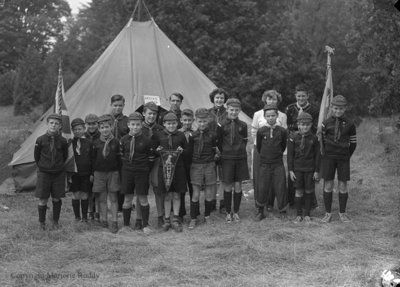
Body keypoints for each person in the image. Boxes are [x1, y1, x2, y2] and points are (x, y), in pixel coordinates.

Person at [320, 95, 357, 223]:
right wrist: (326, 154)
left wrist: (346, 155)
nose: (338, 111)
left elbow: (353, 143)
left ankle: (342, 213)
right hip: (329, 157)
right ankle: (328, 213)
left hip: (343, 158)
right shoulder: (326, 123)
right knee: (328, 184)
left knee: (342, 184)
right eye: (335, 108)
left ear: (345, 108)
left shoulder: (350, 124)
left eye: (341, 109)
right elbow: (322, 142)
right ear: (331, 107)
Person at [251, 90, 287, 214]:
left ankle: (278, 207)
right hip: (263, 155)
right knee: (262, 181)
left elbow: (283, 144)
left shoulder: (282, 121)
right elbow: (257, 137)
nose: (271, 101)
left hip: (276, 157)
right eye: (269, 98)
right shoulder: (258, 117)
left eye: (274, 99)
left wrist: (278, 151)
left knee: (279, 183)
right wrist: (263, 151)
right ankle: (260, 207)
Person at [153, 112, 188, 232]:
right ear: (164, 124)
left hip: (178, 168)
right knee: (167, 194)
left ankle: (176, 219)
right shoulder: (158, 135)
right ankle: (167, 219)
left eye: (173, 123)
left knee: (177, 194)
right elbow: (153, 150)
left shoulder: (181, 135)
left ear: (177, 123)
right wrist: (157, 151)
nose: (171, 126)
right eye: (168, 123)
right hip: (164, 168)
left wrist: (182, 150)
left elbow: (187, 150)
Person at [120, 112, 154, 233]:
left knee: (142, 198)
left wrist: (144, 169)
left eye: (138, 125)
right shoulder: (123, 140)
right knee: (127, 199)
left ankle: (145, 225)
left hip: (142, 172)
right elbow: (120, 156)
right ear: (128, 124)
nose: (135, 127)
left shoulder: (146, 140)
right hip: (127, 172)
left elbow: (151, 159)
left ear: (141, 125)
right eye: (133, 124)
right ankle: (125, 225)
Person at [285, 84, 319, 207]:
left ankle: (310, 202)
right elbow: (287, 126)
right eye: (298, 96)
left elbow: (314, 127)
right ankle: (293, 202)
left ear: (307, 96)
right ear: (295, 96)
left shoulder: (314, 109)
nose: (301, 98)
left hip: (309, 141)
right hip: (293, 140)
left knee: (308, 174)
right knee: (293, 172)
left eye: (303, 96)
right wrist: (295, 131)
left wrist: (303, 130)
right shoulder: (289, 108)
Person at [217, 98, 249, 223]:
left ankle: (236, 211)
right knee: (227, 185)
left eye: (236, 110)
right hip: (227, 158)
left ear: (240, 110)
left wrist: (239, 150)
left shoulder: (243, 125)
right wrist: (226, 152)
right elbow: (219, 142)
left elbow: (245, 140)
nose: (234, 112)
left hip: (240, 157)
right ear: (227, 109)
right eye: (231, 110)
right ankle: (227, 212)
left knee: (238, 185)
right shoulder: (221, 125)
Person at [34, 113, 68, 230]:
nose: (54, 125)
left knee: (56, 198)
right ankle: (41, 223)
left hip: (58, 173)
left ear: (60, 126)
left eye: (56, 123)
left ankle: (55, 221)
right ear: (47, 124)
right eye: (51, 123)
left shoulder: (63, 141)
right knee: (43, 198)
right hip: (44, 173)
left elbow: (64, 156)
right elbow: (36, 157)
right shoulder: (40, 140)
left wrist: (57, 166)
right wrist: (44, 167)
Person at [188, 108, 219, 229]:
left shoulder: (213, 135)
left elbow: (215, 149)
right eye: (200, 121)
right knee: (195, 193)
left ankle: (207, 216)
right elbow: (190, 152)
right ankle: (193, 218)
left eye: (204, 121)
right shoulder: (192, 135)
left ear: (208, 120)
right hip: (196, 165)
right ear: (196, 121)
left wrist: (216, 156)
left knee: (209, 192)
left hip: (209, 165)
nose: (202, 124)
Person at [287, 112, 320, 223]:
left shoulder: (314, 139)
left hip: (310, 169)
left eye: (307, 124)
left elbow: (317, 156)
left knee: (309, 191)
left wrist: (316, 171)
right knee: (299, 191)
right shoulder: (293, 138)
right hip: (297, 170)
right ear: (298, 124)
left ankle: (307, 214)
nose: (304, 127)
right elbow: (290, 156)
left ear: (311, 125)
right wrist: (290, 170)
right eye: (302, 124)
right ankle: (299, 214)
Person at [92, 114, 121, 233]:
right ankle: (104, 219)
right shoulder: (95, 143)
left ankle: (114, 221)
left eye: (107, 127)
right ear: (99, 129)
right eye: (102, 127)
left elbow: (120, 159)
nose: (105, 130)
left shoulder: (116, 142)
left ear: (111, 127)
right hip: (99, 173)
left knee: (113, 197)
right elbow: (92, 159)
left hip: (113, 173)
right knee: (102, 198)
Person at [142, 101, 165, 228]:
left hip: (156, 161)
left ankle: (160, 216)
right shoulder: (139, 127)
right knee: (142, 190)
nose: (151, 116)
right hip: (143, 162)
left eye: (154, 114)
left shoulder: (160, 129)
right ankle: (140, 219)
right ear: (144, 113)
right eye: (149, 113)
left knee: (158, 188)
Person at [208, 88, 228, 213]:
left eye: (221, 98)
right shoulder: (208, 112)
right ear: (213, 99)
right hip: (210, 147)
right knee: (211, 177)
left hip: (225, 147)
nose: (219, 100)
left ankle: (222, 203)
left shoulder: (228, 112)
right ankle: (211, 203)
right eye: (217, 98)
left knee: (223, 177)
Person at [70, 118, 93, 223]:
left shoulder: (89, 142)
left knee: (84, 194)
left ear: (84, 129)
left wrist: (92, 173)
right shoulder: (69, 143)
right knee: (75, 194)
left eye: (79, 129)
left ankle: (84, 217)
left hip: (86, 173)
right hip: (74, 173)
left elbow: (93, 159)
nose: (77, 131)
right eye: (75, 130)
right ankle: (76, 217)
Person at [109, 94, 129, 213]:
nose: (117, 108)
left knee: (122, 179)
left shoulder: (127, 120)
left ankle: (121, 206)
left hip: (122, 155)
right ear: (111, 105)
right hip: (109, 155)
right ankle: (112, 204)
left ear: (123, 106)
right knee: (111, 180)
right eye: (115, 105)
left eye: (120, 106)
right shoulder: (106, 120)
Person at [178, 108, 194, 221]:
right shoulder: (177, 134)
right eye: (185, 120)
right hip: (181, 166)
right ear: (181, 120)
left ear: (193, 120)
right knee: (181, 190)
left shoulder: (195, 133)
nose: (187, 122)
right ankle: (180, 213)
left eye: (189, 120)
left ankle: (194, 212)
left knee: (194, 189)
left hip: (193, 165)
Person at [84, 114, 100, 221]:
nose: (91, 126)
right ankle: (90, 211)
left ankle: (98, 212)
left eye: (94, 124)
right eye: (89, 124)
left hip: (98, 167)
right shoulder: (83, 136)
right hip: (86, 167)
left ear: (97, 124)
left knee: (97, 191)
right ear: (86, 125)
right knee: (89, 191)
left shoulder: (101, 135)